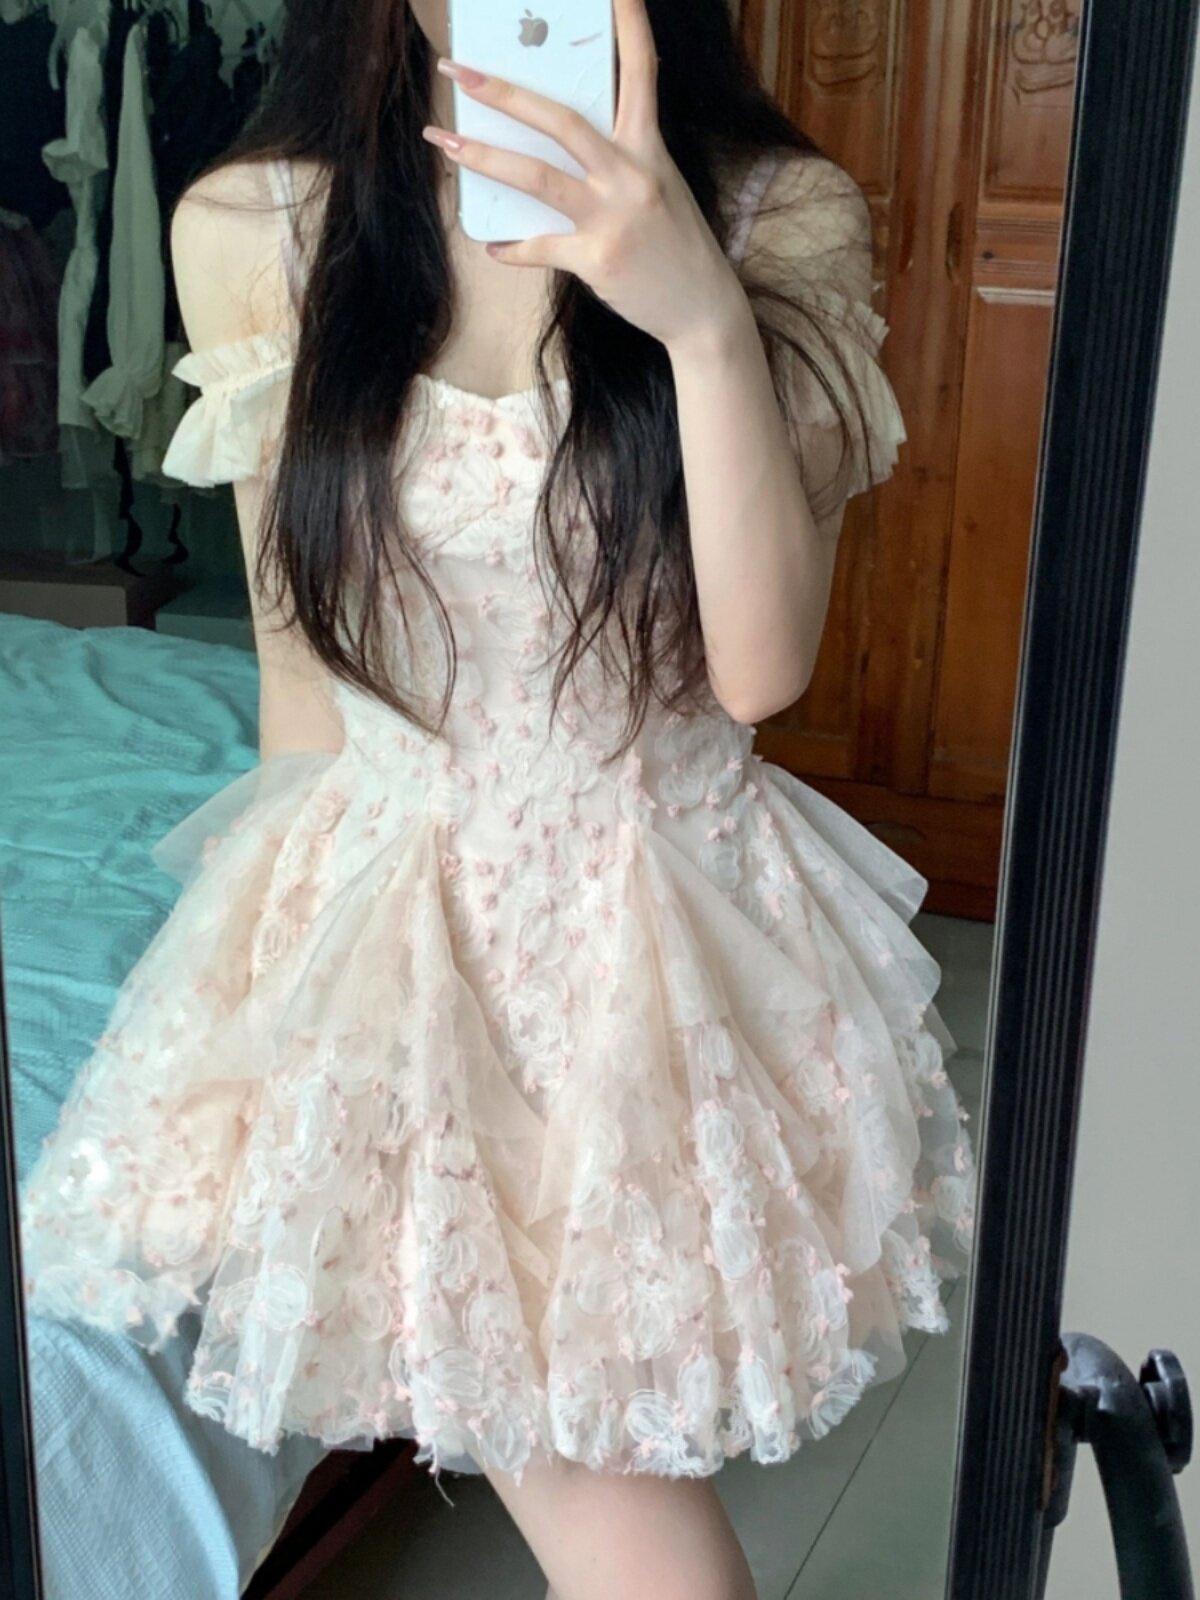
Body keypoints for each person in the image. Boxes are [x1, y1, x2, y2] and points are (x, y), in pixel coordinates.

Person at [20, 2, 977, 1596]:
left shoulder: (775, 211)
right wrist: (266, 1019)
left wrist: (699, 315)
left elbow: (760, 672)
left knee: (626, 1502)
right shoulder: (254, 224)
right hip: (402, 941)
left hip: (652, 955)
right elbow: (301, 672)